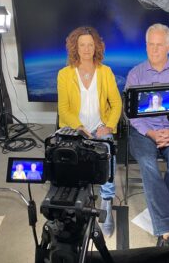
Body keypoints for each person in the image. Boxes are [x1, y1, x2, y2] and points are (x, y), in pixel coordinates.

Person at [125, 23, 169, 246]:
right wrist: (152, 133)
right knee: (147, 164)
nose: (154, 50)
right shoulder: (135, 74)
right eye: (150, 45)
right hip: (144, 132)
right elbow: (131, 115)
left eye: (159, 45)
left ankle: (166, 225)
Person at [57, 26, 122, 237]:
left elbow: (116, 104)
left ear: (96, 47)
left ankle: (106, 205)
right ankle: (73, 207)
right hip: (75, 128)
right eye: (82, 45)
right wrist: (80, 128)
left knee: (107, 156)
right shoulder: (64, 74)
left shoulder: (106, 72)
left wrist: (108, 126)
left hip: (100, 127)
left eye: (90, 45)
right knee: (69, 160)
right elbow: (63, 109)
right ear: (75, 47)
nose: (86, 49)